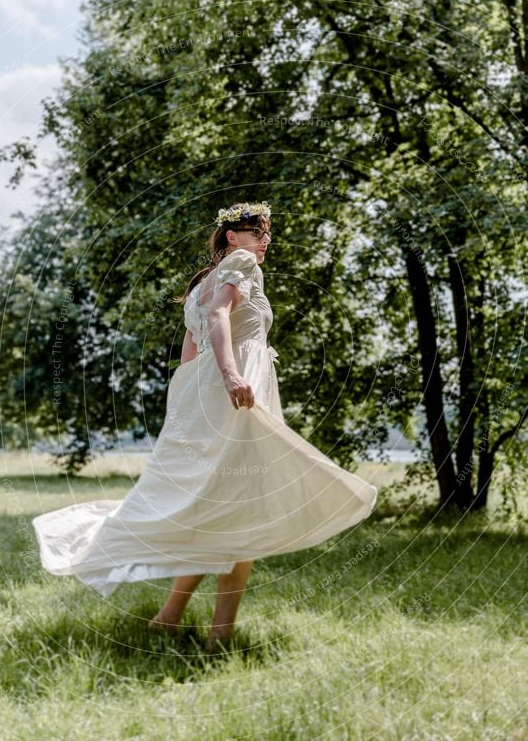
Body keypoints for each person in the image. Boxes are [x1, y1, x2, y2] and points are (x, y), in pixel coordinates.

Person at [32, 200, 378, 653]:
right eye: (257, 231)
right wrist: (233, 376)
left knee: (215, 510)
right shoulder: (240, 263)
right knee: (244, 508)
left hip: (207, 397)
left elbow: (189, 354)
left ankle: (169, 619)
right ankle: (219, 636)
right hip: (234, 392)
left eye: (267, 232)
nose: (265, 240)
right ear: (233, 238)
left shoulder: (199, 285)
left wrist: (188, 407)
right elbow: (216, 320)